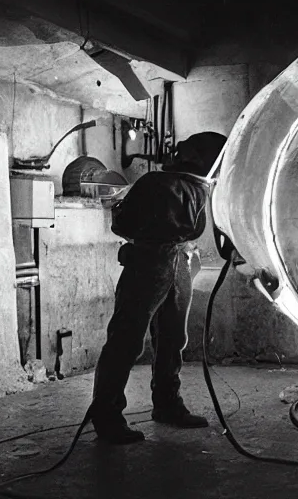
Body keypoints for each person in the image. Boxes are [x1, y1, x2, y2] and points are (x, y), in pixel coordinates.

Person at [89, 131, 221, 444]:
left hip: (178, 259)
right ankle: (108, 416)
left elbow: (122, 222)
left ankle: (166, 405)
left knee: (172, 337)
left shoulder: (193, 185)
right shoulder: (164, 184)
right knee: (128, 338)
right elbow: (124, 224)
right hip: (149, 261)